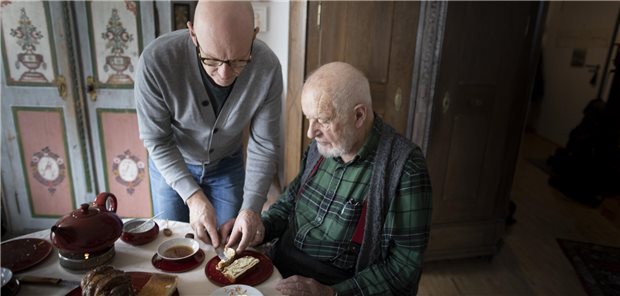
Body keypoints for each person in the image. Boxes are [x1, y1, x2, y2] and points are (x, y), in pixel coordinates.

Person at [249, 62, 432, 295]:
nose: (310, 132)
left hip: (335, 286)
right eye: (308, 118)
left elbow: (403, 268)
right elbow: (288, 203)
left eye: (323, 120)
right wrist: (262, 228)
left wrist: (331, 293)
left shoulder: (405, 169)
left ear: (358, 115)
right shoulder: (321, 147)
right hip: (279, 269)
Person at [134, 1, 282, 252]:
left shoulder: (267, 67)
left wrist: (251, 208)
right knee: (173, 245)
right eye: (211, 60)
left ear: (254, 36)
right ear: (193, 34)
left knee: (226, 248)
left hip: (227, 164)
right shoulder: (156, 61)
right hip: (172, 166)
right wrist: (192, 196)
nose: (224, 75)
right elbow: (157, 140)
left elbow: (264, 144)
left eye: (238, 61)